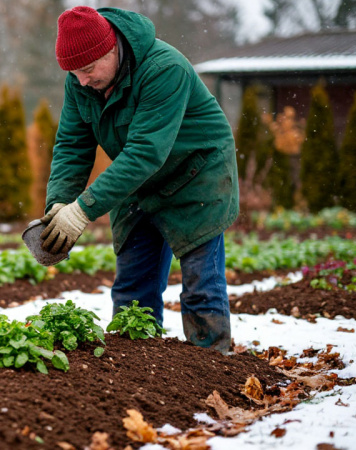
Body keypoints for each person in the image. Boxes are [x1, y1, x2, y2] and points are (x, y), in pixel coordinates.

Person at [40, 6, 239, 353]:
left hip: (195, 176)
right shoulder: (81, 81)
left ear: (112, 48)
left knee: (200, 285)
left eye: (88, 69)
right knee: (133, 287)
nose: (82, 80)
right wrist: (60, 202)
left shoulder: (164, 69)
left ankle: (212, 369)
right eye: (74, 73)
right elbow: (73, 144)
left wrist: (83, 209)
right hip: (136, 180)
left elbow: (146, 151)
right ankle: (139, 369)